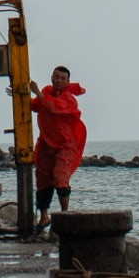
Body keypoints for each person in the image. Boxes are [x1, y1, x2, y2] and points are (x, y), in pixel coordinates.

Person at [28, 66, 87, 230]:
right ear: (52, 77)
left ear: (67, 82)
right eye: (57, 77)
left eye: (63, 78)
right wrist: (20, 95)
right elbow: (35, 106)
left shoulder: (69, 98)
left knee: (59, 176)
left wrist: (38, 93)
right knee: (42, 179)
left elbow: (54, 107)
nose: (59, 81)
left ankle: (64, 214)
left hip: (65, 144)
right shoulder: (46, 91)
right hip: (46, 144)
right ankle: (44, 217)